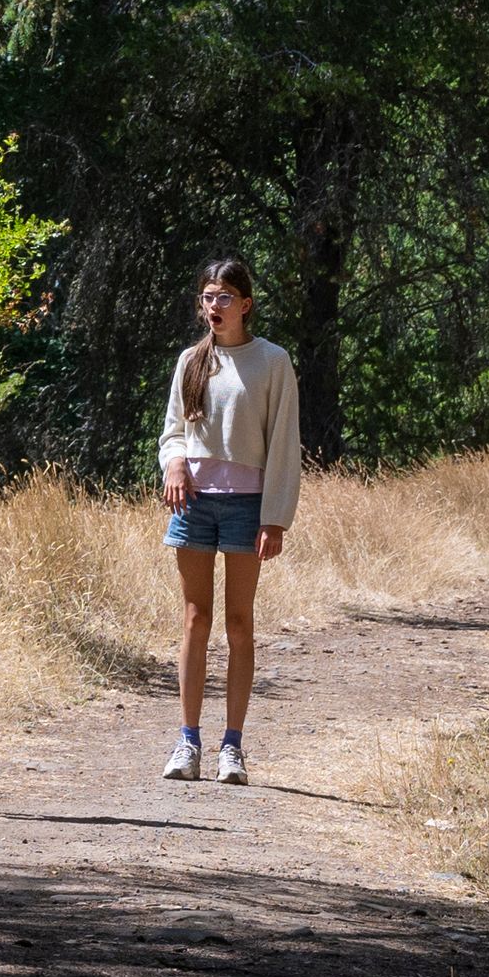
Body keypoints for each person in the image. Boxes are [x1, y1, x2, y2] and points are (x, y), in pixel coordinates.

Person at [150, 253, 301, 787]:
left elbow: (284, 442)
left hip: (247, 505)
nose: (215, 307)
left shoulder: (272, 361)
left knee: (239, 622)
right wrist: (173, 463)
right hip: (193, 501)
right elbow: (173, 429)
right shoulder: (192, 360)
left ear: (246, 305)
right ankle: (187, 740)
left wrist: (275, 517)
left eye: (225, 298)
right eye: (207, 298)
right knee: (195, 618)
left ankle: (231, 747)